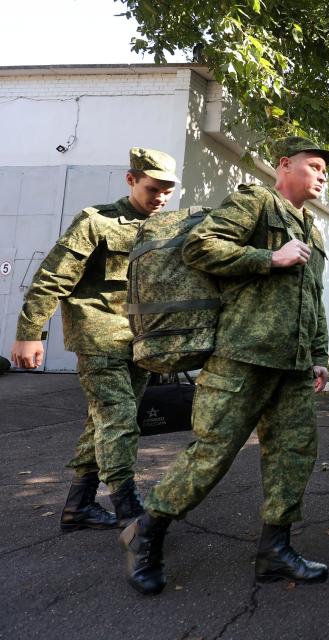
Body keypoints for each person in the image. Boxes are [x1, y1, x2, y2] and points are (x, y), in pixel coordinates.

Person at [120, 136, 329, 595]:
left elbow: (311, 299)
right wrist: (267, 257)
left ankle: (275, 550)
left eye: (324, 170)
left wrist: (318, 356)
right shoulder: (255, 202)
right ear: (285, 166)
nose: (322, 175)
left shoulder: (311, 230)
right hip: (242, 356)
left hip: (292, 366)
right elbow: (200, 247)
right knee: (212, 453)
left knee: (293, 457)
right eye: (314, 166)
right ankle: (147, 532)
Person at [11, 148, 178, 530]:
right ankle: (128, 507)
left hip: (140, 340)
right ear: (131, 179)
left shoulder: (162, 227)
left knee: (102, 421)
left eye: (168, 191)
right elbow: (52, 278)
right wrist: (29, 334)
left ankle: (78, 506)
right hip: (98, 336)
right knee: (119, 419)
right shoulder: (95, 221)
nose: (161, 198)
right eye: (154, 189)